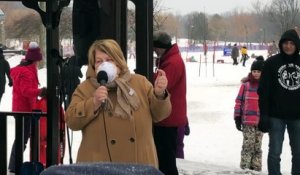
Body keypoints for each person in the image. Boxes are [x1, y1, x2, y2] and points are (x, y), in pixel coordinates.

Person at [64, 39, 171, 168]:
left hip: (139, 166)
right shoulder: (86, 88)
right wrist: (93, 103)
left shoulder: (140, 83)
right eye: (99, 61)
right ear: (93, 65)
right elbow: (71, 121)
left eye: (109, 59)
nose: (104, 64)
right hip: (99, 168)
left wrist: (159, 94)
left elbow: (160, 115)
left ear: (119, 61)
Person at [258, 29, 300, 175]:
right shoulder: (271, 63)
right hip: (276, 116)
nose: (288, 46)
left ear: (296, 45)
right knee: (275, 152)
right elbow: (263, 91)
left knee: (299, 153)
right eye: (285, 43)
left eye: (291, 43)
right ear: (281, 45)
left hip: (297, 117)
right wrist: (264, 115)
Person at [152, 31, 187, 175]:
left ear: (161, 47)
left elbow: (161, 86)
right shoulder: (171, 59)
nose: (154, 51)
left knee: (166, 160)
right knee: (165, 157)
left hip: (167, 119)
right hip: (170, 117)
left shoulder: (172, 63)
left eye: (155, 48)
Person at [8, 41, 47, 173]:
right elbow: (26, 91)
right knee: (22, 139)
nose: (39, 63)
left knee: (21, 138)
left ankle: (14, 165)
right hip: (24, 110)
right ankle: (14, 166)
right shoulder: (27, 72)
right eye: (38, 61)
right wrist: (40, 91)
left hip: (21, 109)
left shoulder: (24, 69)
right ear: (34, 60)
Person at [234, 56, 264, 172]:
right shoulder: (245, 86)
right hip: (247, 122)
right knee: (248, 146)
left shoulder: (265, 86)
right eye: (254, 71)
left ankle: (256, 168)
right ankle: (245, 168)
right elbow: (238, 101)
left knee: (257, 147)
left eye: (259, 72)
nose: (256, 74)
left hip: (260, 122)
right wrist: (237, 117)